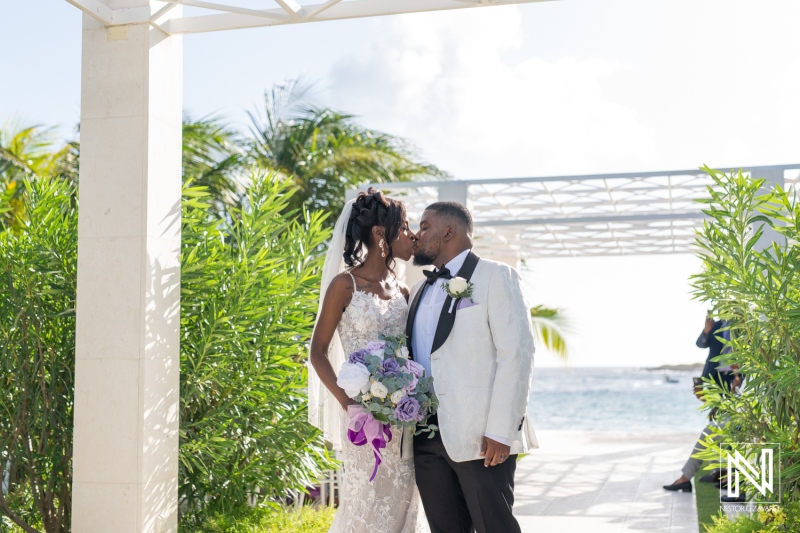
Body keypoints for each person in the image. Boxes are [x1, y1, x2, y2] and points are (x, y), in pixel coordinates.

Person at [407, 201, 537, 533]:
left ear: (448, 231)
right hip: (425, 435)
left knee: (495, 527)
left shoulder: (497, 275)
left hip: (481, 438)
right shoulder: (421, 289)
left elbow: (517, 354)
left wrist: (501, 431)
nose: (416, 235)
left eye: (424, 227)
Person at [308, 188, 427, 533]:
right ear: (380, 234)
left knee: (406, 503)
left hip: (404, 419)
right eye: (404, 227)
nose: (412, 236)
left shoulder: (404, 291)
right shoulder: (344, 285)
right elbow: (317, 351)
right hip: (363, 421)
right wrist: (349, 405)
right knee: (367, 504)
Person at [663, 316, 735, 493]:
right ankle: (719, 470)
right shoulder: (717, 324)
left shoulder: (742, 325)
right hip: (714, 377)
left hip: (733, 378)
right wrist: (706, 330)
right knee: (715, 421)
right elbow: (701, 344)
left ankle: (717, 472)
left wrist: (738, 375)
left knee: (717, 428)